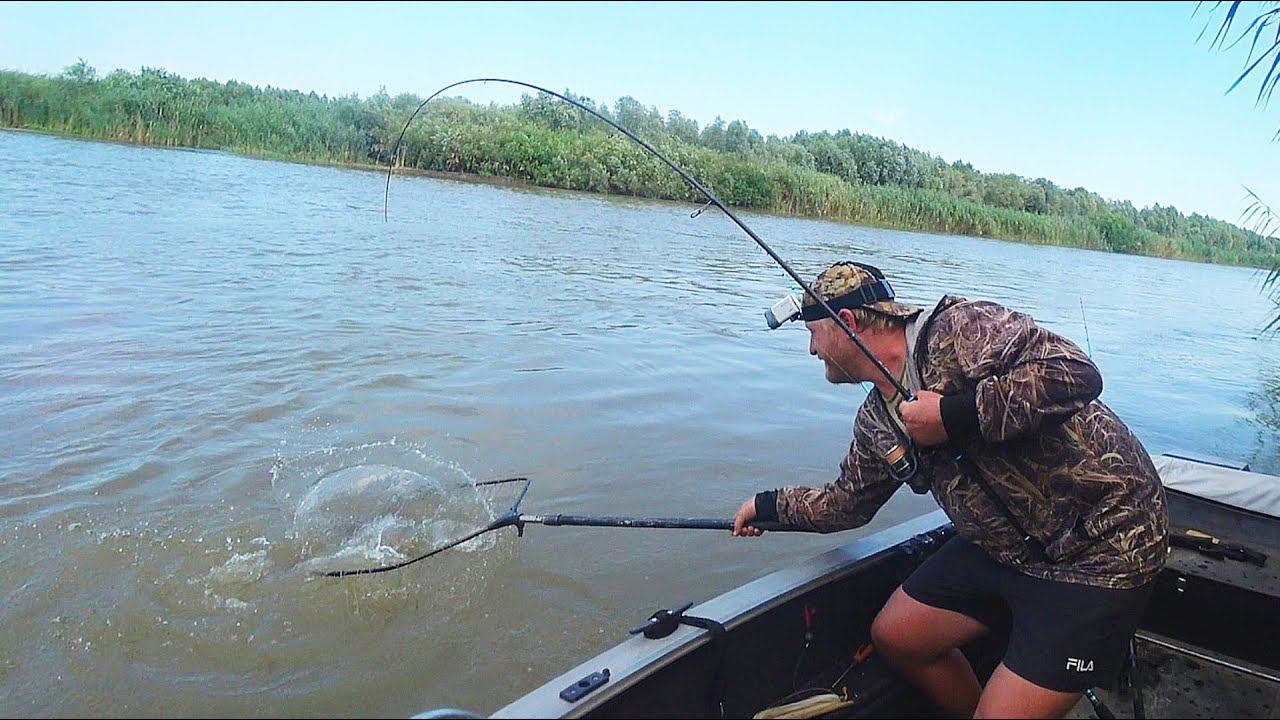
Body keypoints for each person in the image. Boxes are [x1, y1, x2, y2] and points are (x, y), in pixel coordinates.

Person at [732, 261, 1168, 719]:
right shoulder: (876, 422)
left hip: (1104, 549)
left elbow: (1076, 373)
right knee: (897, 637)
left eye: (813, 333)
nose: (811, 350)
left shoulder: (959, 330)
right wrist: (765, 508)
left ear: (847, 323)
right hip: (1003, 548)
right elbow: (846, 505)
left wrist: (956, 417)